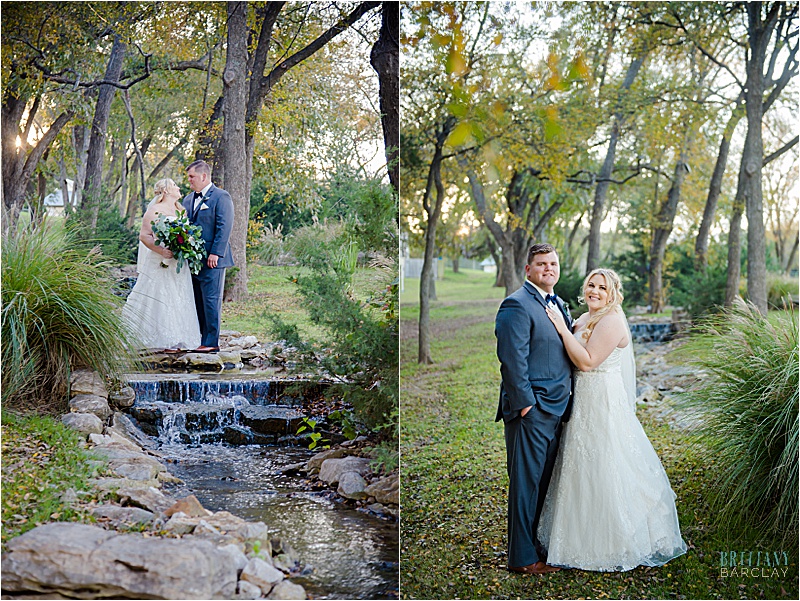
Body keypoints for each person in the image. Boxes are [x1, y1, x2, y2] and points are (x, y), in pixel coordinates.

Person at [538, 268, 687, 571]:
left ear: (612, 294)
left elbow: (588, 361)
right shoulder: (583, 318)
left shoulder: (612, 321)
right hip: (582, 403)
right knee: (580, 466)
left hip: (602, 401)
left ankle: (613, 542)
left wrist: (562, 329)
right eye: (591, 285)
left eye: (601, 288)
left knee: (606, 463)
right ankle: (571, 538)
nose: (594, 291)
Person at [495, 243, 573, 575]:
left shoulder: (557, 305)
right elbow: (512, 362)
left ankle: (534, 544)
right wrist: (527, 405)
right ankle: (523, 559)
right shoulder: (516, 305)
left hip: (557, 409)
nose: (548, 269)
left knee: (541, 482)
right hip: (533, 411)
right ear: (528, 270)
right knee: (525, 485)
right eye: (541, 264)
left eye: (553, 263)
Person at [122, 178, 202, 352]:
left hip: (177, 262)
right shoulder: (154, 211)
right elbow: (144, 236)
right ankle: (161, 337)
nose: (178, 187)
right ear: (165, 190)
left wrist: (185, 246)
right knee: (161, 295)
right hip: (160, 260)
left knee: (179, 295)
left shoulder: (181, 210)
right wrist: (160, 250)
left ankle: (179, 337)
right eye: (174, 185)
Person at [182, 159, 234, 353]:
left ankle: (211, 343)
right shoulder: (188, 200)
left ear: (204, 176)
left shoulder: (221, 197)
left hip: (213, 260)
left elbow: (224, 226)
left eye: (192, 177)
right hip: (192, 260)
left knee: (211, 300)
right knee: (197, 300)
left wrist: (215, 253)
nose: (189, 181)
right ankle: (200, 340)